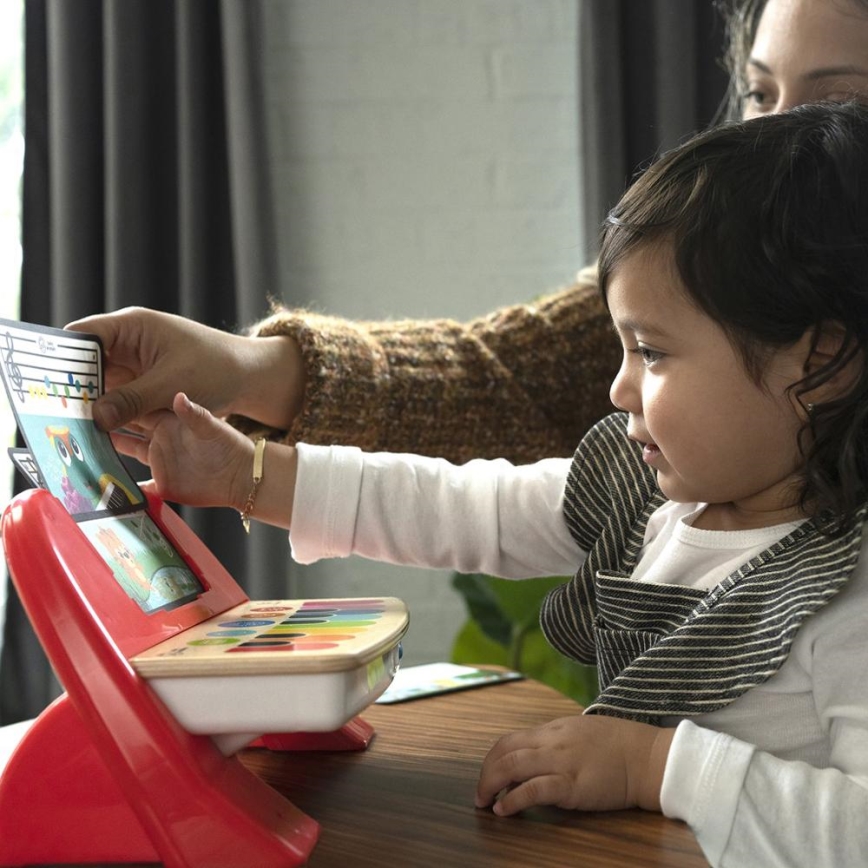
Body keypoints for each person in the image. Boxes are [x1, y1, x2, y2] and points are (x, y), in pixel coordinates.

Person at [116, 101, 868, 867]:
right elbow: (464, 509)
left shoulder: (850, 592)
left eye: (653, 353)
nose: (619, 388)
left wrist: (653, 766)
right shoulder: (640, 494)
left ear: (818, 364)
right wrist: (249, 474)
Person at [66, 0, 868, 466]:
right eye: (759, 95)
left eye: (835, 104)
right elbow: (502, 379)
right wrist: (242, 369)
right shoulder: (699, 284)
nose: (772, 137)